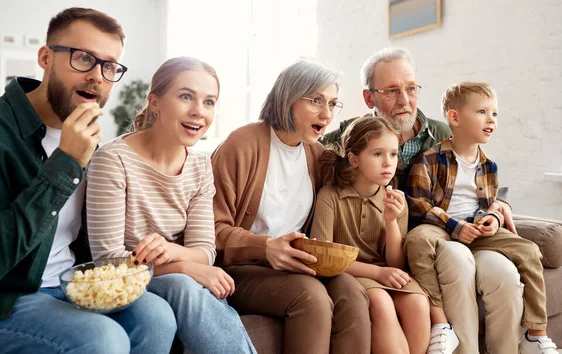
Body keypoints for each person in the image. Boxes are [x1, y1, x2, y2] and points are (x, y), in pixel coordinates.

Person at [321, 48, 524, 353]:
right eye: (392, 91)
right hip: (401, 247)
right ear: (369, 98)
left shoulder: (445, 133)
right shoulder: (344, 138)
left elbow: (483, 180)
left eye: (411, 88)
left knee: (499, 274)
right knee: (449, 266)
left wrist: (499, 207)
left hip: (441, 234)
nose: (405, 100)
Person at [0, 7, 177, 354]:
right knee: (103, 339)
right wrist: (65, 163)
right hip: (12, 297)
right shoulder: (5, 132)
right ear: (45, 58)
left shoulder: (91, 136)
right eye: (83, 58)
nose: (97, 75)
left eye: (109, 66)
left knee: (156, 316)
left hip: (71, 285)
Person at [86, 57, 257, 354]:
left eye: (209, 102)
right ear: (155, 102)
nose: (198, 112)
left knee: (186, 285)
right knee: (184, 286)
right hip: (122, 284)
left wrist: (172, 252)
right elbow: (107, 261)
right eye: (186, 96)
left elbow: (204, 250)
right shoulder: (112, 161)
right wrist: (183, 268)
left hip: (171, 281)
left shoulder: (201, 167)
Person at [211, 61, 371, 354]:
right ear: (288, 97)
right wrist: (266, 247)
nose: (327, 114)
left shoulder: (317, 155)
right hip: (239, 269)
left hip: (295, 265)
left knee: (351, 292)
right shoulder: (242, 145)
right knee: (310, 297)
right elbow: (212, 229)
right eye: (316, 101)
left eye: (333, 103)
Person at [405, 82, 558, 354]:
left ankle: (536, 333)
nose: (491, 120)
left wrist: (492, 219)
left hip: (477, 231)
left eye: (495, 114)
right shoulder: (429, 159)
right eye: (482, 112)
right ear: (454, 117)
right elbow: (418, 205)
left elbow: (489, 205)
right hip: (439, 228)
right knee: (417, 240)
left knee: (530, 250)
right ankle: (441, 324)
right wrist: (455, 226)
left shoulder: (489, 166)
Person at [311, 116, 430, 354]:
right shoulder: (330, 196)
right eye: (377, 154)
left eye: (393, 154)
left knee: (418, 303)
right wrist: (377, 273)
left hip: (386, 272)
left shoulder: (397, 202)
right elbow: (323, 259)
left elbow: (396, 263)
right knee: (381, 302)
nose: (388, 163)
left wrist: (391, 221)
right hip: (347, 273)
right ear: (354, 159)